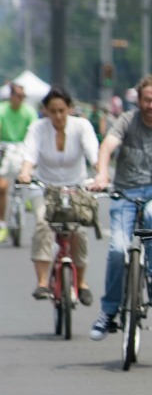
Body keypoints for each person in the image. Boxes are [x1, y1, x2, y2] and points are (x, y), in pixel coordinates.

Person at [88, 74, 152, 340]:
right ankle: (108, 312)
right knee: (117, 249)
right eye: (147, 100)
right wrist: (103, 174)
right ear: (139, 101)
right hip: (125, 192)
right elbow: (107, 147)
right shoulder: (127, 121)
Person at [17, 87, 99, 303]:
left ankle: (81, 282)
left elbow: (94, 154)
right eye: (53, 111)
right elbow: (29, 154)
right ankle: (43, 282)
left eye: (62, 110)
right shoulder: (37, 128)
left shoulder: (81, 126)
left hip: (76, 188)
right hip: (45, 188)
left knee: (79, 231)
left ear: (69, 109)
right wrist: (25, 172)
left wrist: (101, 175)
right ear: (45, 111)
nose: (58, 116)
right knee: (43, 224)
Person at [0, 82, 37, 241]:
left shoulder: (29, 111)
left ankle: (26, 198)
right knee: (2, 187)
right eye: (19, 96)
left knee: (27, 175)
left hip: (23, 147)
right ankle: (1, 223)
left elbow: (34, 133)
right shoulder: (2, 110)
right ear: (12, 96)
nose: (21, 99)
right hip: (4, 147)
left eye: (23, 96)